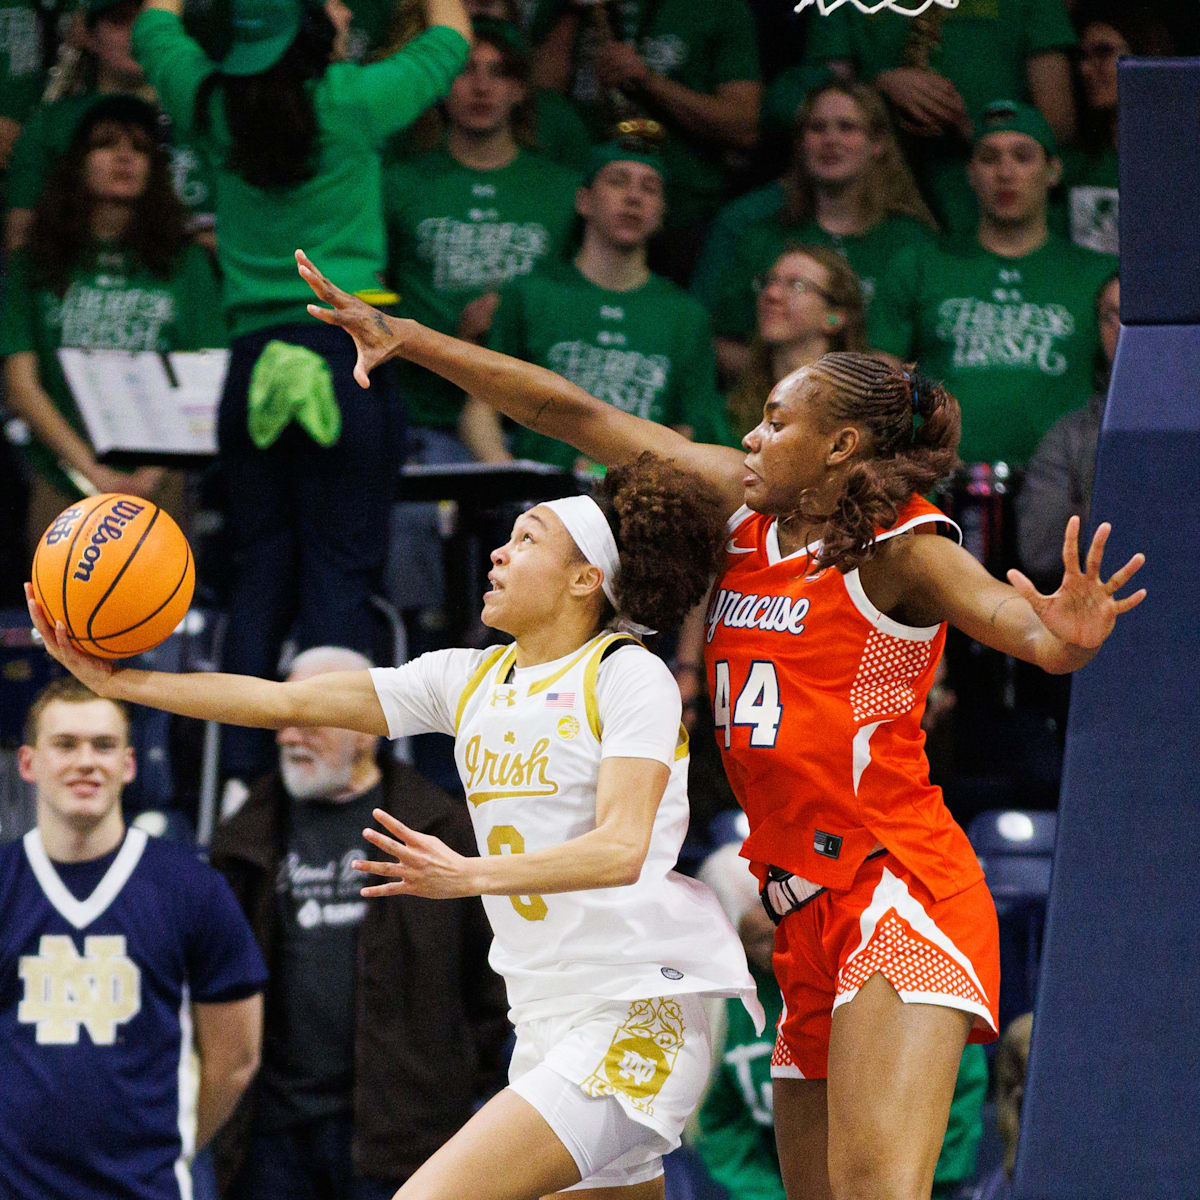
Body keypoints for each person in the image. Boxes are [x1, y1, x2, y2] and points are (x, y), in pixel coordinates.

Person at [290, 249, 1146, 1200]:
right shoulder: (746, 516)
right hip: (797, 907)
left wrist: (1060, 640)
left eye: (776, 422)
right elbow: (577, 415)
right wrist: (414, 342)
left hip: (894, 886)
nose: (750, 434)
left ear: (840, 448)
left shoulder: (907, 547)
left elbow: (1011, 622)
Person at [28, 445, 764, 1200]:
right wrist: (120, 680)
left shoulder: (625, 673)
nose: (500, 553)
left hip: (636, 1006)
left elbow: (620, 847)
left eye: (529, 539)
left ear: (587, 579)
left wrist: (465, 874)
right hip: (546, 1017)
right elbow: (281, 702)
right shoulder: (468, 679)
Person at [129, 0, 472, 788]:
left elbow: (155, 23)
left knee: (260, 574)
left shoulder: (211, 103)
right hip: (349, 349)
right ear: (317, 35)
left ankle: (244, 784)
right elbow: (453, 35)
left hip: (252, 364)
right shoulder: (351, 99)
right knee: (340, 573)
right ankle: (326, 785)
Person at [208, 645, 511, 1200]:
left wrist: (466, 1085)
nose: (287, 736)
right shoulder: (242, 837)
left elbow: (494, 982)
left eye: (309, 718)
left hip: (406, 1137)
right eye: (281, 719)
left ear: (367, 729)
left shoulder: (442, 830)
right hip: (272, 1137)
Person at [0, 677, 267, 1200]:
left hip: (149, 1188)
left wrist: (179, 1144)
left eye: (104, 746)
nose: (86, 761)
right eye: (66, 744)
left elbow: (236, 1058)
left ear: (129, 764)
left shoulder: (193, 888)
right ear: (28, 764)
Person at [0, 94, 225, 555]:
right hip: (60, 477)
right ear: (75, 162)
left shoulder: (184, 262)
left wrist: (150, 474)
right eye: (106, 144)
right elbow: (21, 388)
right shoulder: (33, 264)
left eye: (141, 148)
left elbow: (209, 373)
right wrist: (91, 472)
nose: (125, 157)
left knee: (157, 622)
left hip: (159, 477)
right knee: (59, 623)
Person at [869, 100, 1117, 468]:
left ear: (1053, 170)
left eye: (1022, 156)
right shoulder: (919, 264)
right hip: (943, 480)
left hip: (1063, 483)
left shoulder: (1099, 274)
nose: (1005, 172)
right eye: (988, 158)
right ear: (970, 172)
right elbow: (880, 375)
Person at [459, 137, 726, 468]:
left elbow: (691, 428)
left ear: (661, 213)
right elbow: (481, 406)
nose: (633, 197)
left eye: (649, 188)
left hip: (641, 502)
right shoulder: (530, 294)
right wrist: (506, 472)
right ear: (583, 200)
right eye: (617, 182)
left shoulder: (686, 315)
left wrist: (636, 481)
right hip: (542, 500)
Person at [691, 81, 935, 381]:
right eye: (817, 128)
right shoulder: (763, 237)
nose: (830, 139)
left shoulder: (912, 242)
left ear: (878, 143)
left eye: (847, 127)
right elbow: (712, 340)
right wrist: (793, 382)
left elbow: (934, 351)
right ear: (802, 143)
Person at [795, 0, 1077, 236]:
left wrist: (979, 131)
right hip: (877, 200)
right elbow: (820, 104)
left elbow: (1058, 125)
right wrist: (881, 86)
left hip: (989, 202)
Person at [529, 0, 762, 282]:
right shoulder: (560, 9)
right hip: (576, 209)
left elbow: (744, 126)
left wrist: (647, 80)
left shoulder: (718, 8)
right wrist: (571, 15)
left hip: (683, 213)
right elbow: (531, 103)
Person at [3, 0, 216, 251]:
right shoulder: (51, 124)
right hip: (82, 281)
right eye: (119, 21)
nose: (136, 32)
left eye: (144, 21)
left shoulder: (204, 117)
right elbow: (20, 236)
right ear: (89, 36)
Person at [1016, 272, 1119, 594]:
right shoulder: (1070, 436)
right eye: (1109, 316)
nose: (1120, 329)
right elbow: (1041, 553)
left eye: (1132, 315)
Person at [1055, 1, 1174, 256]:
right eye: (1083, 57)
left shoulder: (1184, 158)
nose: (1086, 69)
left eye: (1103, 52)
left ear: (1147, 53)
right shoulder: (1072, 163)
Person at [725, 245, 867, 444]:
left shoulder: (858, 419)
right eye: (769, 281)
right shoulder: (729, 413)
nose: (772, 293)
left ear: (834, 316)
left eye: (797, 285)